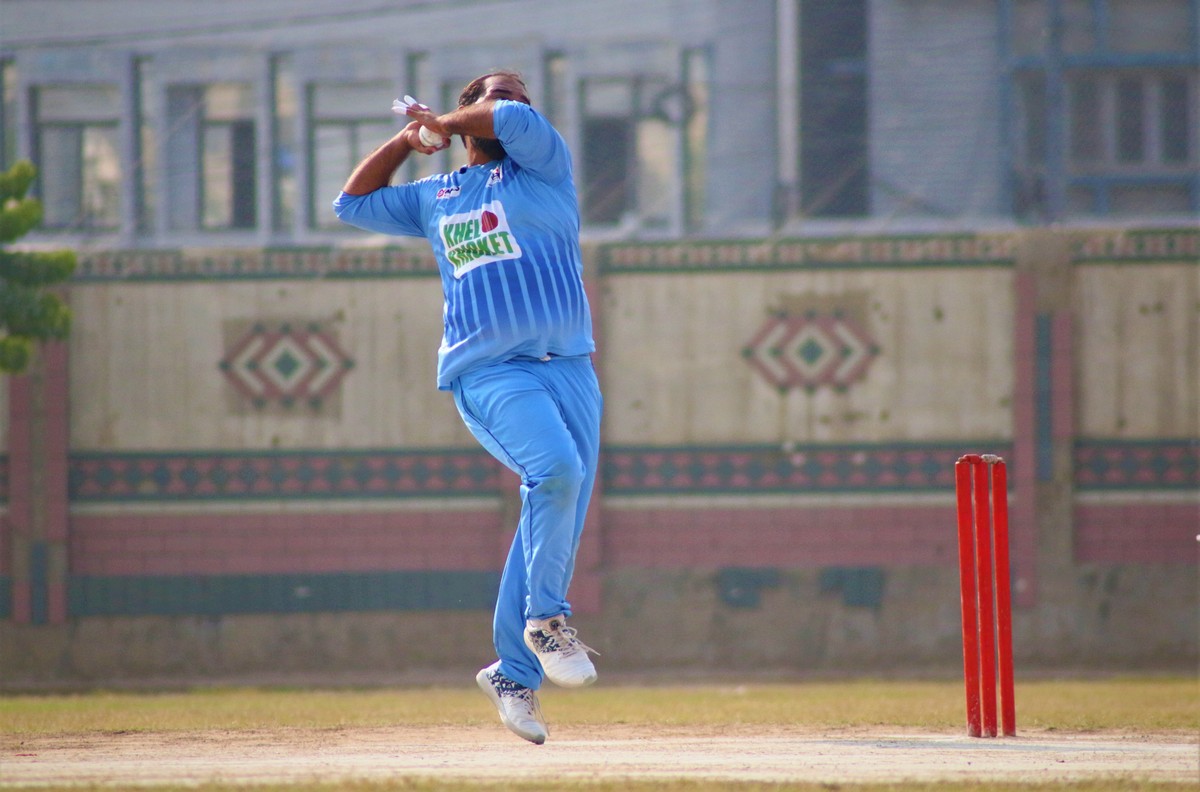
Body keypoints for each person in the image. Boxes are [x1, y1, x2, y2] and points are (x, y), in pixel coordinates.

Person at [333, 71, 600, 745]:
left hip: (569, 365)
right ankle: (547, 623)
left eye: (518, 95)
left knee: (555, 506)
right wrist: (407, 140)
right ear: (468, 111)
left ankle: (513, 674)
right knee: (557, 473)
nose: (510, 103)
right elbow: (352, 203)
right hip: (490, 372)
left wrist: (444, 123)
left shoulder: (545, 167)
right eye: (496, 93)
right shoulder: (437, 195)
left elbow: (510, 123)